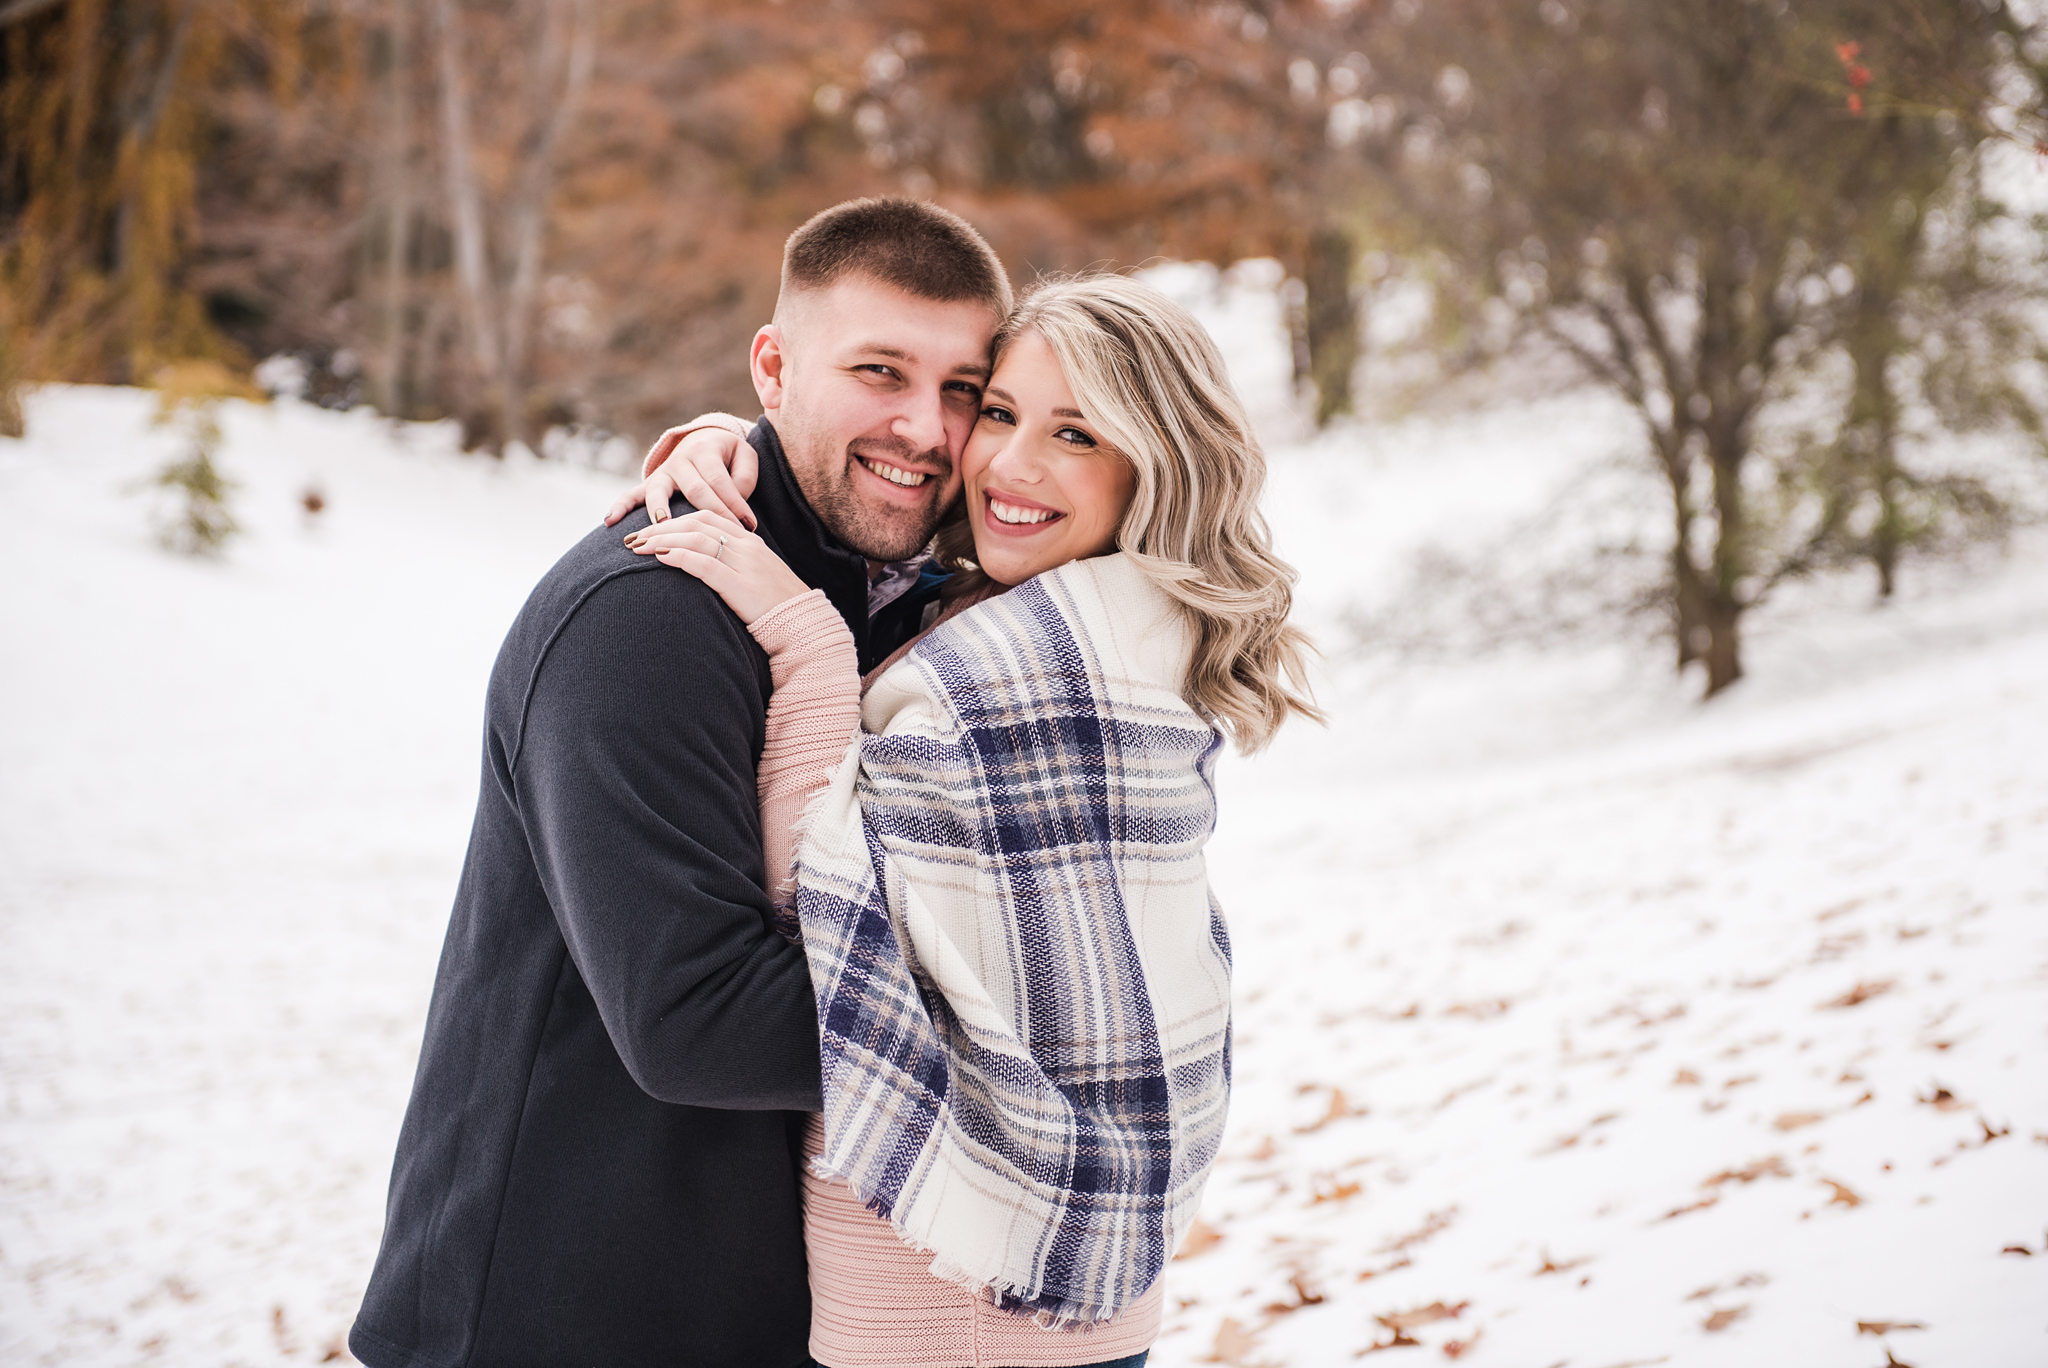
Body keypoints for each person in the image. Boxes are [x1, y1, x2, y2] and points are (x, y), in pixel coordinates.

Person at [348, 198, 1013, 1368]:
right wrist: (1042, 1022)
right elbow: (695, 1017)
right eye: (877, 371)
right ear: (773, 366)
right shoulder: (651, 612)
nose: (925, 427)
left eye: (964, 388)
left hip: (740, 1301)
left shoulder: (883, 595)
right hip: (557, 1311)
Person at [614, 273, 1320, 1367]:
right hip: (1058, 1275)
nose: (1009, 464)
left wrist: (802, 647)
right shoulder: (1116, 620)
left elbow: (827, 914)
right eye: (998, 413)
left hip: (954, 1296)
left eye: (1076, 435)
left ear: (1151, 465)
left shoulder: (1026, 669)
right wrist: (740, 441)